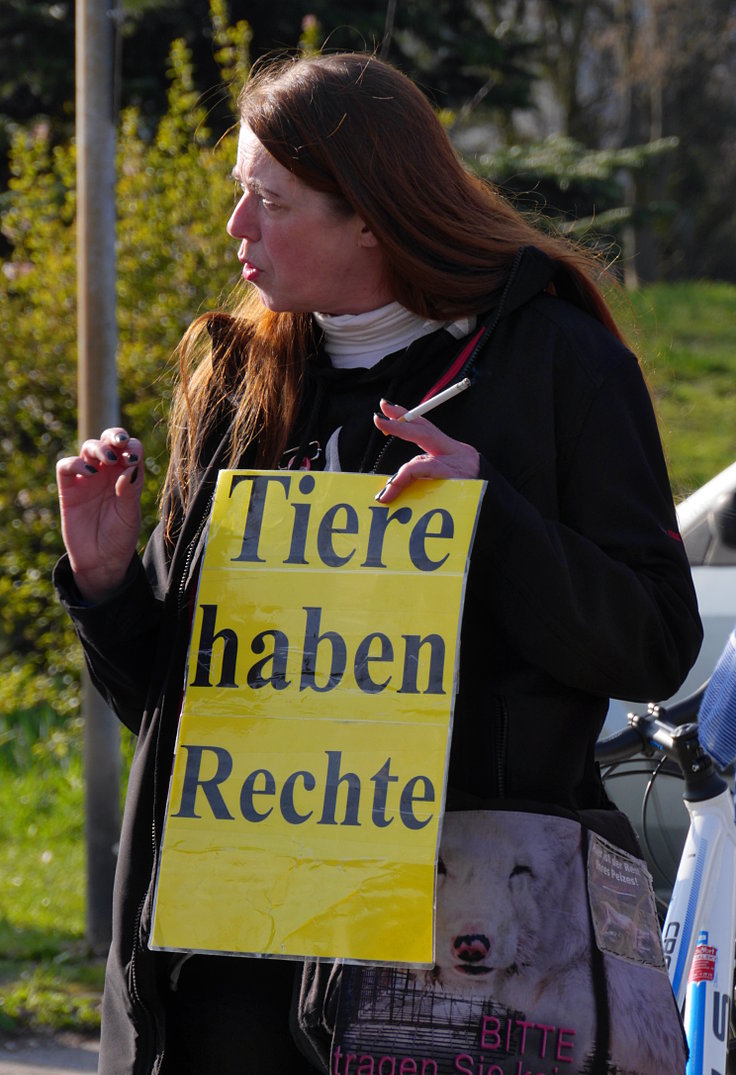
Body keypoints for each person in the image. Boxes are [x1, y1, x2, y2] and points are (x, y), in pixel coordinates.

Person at [55, 51, 702, 1075]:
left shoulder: (558, 363)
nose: (237, 230)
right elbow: (172, 712)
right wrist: (106, 583)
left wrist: (491, 520)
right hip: (233, 965)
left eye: (269, 201)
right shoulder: (234, 373)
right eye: (240, 194)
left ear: (373, 214)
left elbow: (655, 641)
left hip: (457, 958)